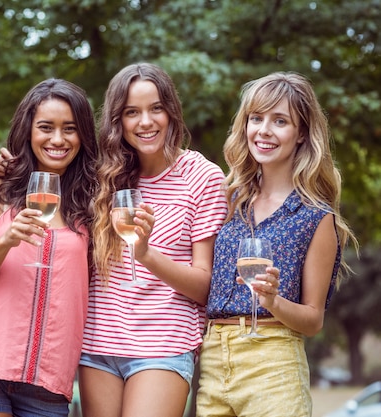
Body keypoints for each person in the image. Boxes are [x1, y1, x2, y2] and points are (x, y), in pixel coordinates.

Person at [195, 72, 358, 416]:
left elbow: (313, 320)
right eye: (257, 118)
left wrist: (273, 300)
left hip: (274, 363)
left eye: (280, 121)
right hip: (213, 360)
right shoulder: (227, 199)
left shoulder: (315, 217)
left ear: (301, 134)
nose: (264, 131)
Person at [0, 78, 98, 417]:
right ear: (28, 131)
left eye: (70, 129)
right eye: (45, 127)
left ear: (83, 135)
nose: (58, 139)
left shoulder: (94, 203)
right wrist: (5, 242)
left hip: (48, 385)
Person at [77, 63, 228, 417]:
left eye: (156, 108)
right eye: (132, 112)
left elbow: (205, 286)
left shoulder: (202, 177)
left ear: (171, 111)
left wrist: (145, 253)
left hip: (164, 345)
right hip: (97, 344)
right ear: (118, 120)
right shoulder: (101, 177)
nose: (146, 122)